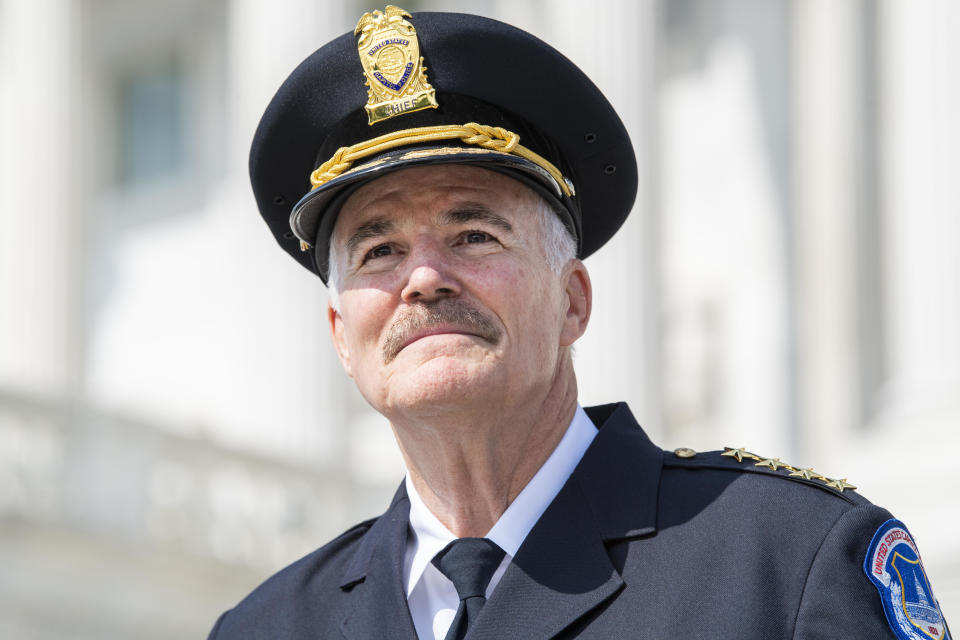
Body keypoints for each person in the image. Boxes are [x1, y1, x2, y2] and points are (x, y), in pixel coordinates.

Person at [209, 7, 951, 640]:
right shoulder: (267, 626)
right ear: (342, 333)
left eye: (475, 236)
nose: (425, 278)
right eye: (380, 250)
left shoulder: (787, 560)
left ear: (574, 301)